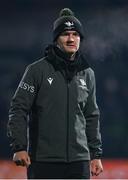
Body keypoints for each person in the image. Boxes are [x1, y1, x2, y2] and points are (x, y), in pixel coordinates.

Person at [7, 8, 103, 179]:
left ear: (80, 38)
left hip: (79, 162)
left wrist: (95, 154)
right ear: (56, 39)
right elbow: (18, 108)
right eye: (65, 34)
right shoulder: (37, 71)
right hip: (44, 162)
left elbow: (91, 115)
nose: (71, 39)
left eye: (75, 34)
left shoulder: (88, 73)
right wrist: (19, 147)